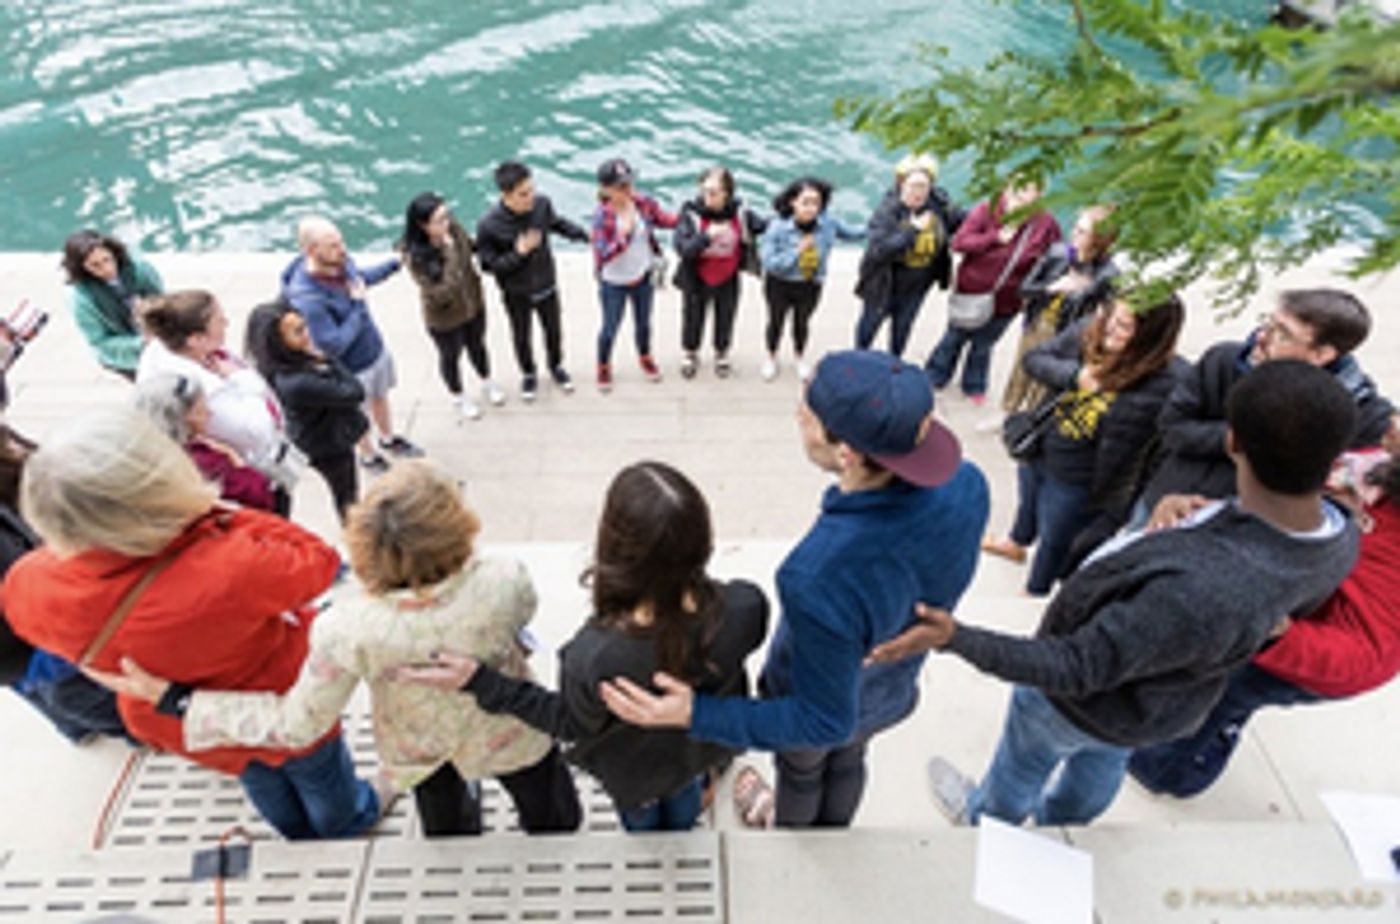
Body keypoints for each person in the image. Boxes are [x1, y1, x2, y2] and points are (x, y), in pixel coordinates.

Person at [916, 360, 1360, 827]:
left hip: (1074, 704)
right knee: (1099, 770)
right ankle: (1062, 827)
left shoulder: (1197, 592)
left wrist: (956, 638)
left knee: (1021, 769)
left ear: (1232, 442)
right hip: (1155, 708)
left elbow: (1074, 665)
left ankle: (986, 820)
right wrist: (1197, 520)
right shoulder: (1337, 535)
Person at [87, 461, 582, 839]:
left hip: (421, 749)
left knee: (447, 826)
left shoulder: (345, 626)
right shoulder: (503, 579)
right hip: (512, 732)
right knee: (550, 813)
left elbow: (297, 724)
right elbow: (520, 616)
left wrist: (177, 700)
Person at [599, 351, 988, 829]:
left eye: (809, 411)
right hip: (889, 693)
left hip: (817, 702)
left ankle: (793, 837)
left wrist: (695, 713)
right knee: (850, 757)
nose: (798, 415)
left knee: (803, 772)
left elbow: (822, 721)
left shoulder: (818, 575)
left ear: (846, 454)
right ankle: (832, 838)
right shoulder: (969, 484)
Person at [1, 408, 387, 840]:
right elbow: (318, 562)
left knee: (256, 774)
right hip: (276, 699)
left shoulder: (29, 583)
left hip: (183, 721)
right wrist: (222, 512)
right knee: (318, 771)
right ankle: (349, 820)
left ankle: (294, 833)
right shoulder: (231, 564)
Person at [395, 461, 769, 831]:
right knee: (684, 800)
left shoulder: (595, 656)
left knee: (643, 822)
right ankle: (687, 814)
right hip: (696, 754)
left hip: (635, 778)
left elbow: (568, 721)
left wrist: (481, 681)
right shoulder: (746, 607)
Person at [1127, 437, 1400, 798]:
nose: (1392, 426)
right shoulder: (1373, 466)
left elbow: (1370, 654)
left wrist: (1282, 634)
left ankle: (1168, 772)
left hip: (1303, 650)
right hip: (1281, 602)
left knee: (1220, 701)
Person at [982, 296, 1188, 595]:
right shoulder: (1090, 331)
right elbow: (1036, 358)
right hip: (1042, 445)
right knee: (1028, 500)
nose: (1110, 329)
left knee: (1056, 536)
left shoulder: (1170, 380)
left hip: (1081, 477)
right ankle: (1015, 543)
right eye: (1112, 317)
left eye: (1124, 326)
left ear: (1150, 336)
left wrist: (1124, 501)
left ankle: (1036, 587)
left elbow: (1164, 447)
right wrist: (1074, 376)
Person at [1135, 288, 1393, 517]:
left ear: (1321, 354)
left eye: (1283, 334)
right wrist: (1238, 438)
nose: (1262, 337)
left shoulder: (1358, 412)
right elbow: (1171, 426)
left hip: (1243, 531)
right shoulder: (1223, 360)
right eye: (1269, 323)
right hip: (1161, 501)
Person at [0, 425, 129, 744]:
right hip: (29, 637)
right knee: (73, 690)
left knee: (50, 688)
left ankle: (77, 727)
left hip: (29, 632)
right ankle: (124, 728)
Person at [135, 291, 300, 516]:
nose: (226, 323)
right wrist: (241, 379)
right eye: (218, 320)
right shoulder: (204, 393)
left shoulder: (169, 348)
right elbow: (257, 430)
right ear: (195, 339)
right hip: (261, 472)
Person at [281, 216, 422, 473]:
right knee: (357, 414)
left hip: (373, 350)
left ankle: (388, 438)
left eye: (341, 242)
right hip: (351, 368)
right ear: (312, 251)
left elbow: (359, 279)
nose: (342, 249)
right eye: (333, 245)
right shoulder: (308, 300)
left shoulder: (339, 262)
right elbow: (333, 345)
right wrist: (358, 306)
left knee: (380, 396)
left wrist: (393, 265)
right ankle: (368, 455)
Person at [924, 180, 1062, 405]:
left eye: (1028, 190)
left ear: (1038, 196)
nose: (1020, 194)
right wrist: (993, 238)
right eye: (1017, 187)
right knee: (954, 336)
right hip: (972, 292)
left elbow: (1056, 255)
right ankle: (936, 374)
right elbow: (959, 242)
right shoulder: (987, 210)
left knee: (984, 345)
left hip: (1008, 299)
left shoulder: (1045, 224)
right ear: (1006, 188)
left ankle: (974, 383)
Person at [475, 161, 590, 403]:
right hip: (517, 293)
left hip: (546, 283)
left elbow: (556, 223)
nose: (530, 198)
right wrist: (519, 253)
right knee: (521, 335)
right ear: (506, 195)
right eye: (523, 194)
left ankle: (556, 366)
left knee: (554, 331)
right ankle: (528, 373)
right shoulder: (489, 225)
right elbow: (489, 265)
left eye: (531, 190)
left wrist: (583, 235)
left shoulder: (541, 205)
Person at [245, 300, 368, 521]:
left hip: (308, 433)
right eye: (298, 331)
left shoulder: (279, 367)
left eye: (304, 326)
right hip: (326, 444)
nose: (307, 335)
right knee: (347, 497)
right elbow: (354, 392)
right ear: (277, 342)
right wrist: (328, 360)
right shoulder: (296, 382)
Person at [1000, 205, 1119, 416]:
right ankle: (1007, 411)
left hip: (1067, 334)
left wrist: (1086, 294)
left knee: (1046, 381)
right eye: (1075, 227)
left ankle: (1030, 419)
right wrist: (1052, 287)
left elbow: (1106, 313)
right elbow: (1024, 289)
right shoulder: (1057, 252)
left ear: (1098, 239)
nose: (1073, 233)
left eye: (1082, 231)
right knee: (1020, 370)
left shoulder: (1106, 274)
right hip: (1038, 323)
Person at [399, 193, 505, 421]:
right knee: (450, 357)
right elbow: (441, 293)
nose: (447, 223)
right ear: (422, 225)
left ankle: (487, 380)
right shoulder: (415, 257)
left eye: (447, 216)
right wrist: (449, 253)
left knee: (478, 345)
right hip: (445, 318)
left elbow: (471, 247)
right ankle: (459, 396)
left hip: (472, 303)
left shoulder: (453, 230)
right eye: (439, 220)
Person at [853, 154, 964, 359]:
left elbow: (963, 221)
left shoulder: (938, 204)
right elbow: (880, 250)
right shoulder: (887, 211)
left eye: (924, 186)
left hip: (917, 285)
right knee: (870, 324)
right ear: (901, 184)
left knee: (903, 327)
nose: (918, 192)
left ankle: (895, 361)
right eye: (913, 186)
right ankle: (858, 357)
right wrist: (912, 230)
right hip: (884, 285)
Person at [758, 179, 865, 383]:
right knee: (776, 321)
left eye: (816, 203)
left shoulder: (828, 224)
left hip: (810, 284)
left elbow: (853, 234)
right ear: (793, 202)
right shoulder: (777, 227)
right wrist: (797, 251)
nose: (811, 208)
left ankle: (799, 356)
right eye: (805, 202)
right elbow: (770, 262)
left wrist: (881, 225)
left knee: (802, 322)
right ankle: (771, 356)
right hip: (779, 284)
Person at [590, 158, 679, 393]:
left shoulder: (642, 203)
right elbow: (603, 252)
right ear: (606, 189)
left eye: (630, 183)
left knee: (644, 323)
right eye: (621, 186)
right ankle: (603, 365)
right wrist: (625, 235)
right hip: (614, 283)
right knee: (610, 327)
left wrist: (685, 218)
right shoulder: (602, 216)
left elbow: (662, 219)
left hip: (642, 277)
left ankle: (645, 356)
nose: (628, 190)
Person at [672, 167, 768, 379]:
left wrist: (794, 215)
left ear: (727, 193)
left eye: (713, 192)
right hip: (697, 277)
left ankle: (721, 352)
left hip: (728, 276)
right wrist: (706, 237)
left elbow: (764, 226)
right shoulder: (691, 215)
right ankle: (690, 352)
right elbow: (683, 248)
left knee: (726, 316)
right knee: (692, 317)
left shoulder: (741, 213)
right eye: (704, 191)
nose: (707, 197)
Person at [133, 374, 276, 512]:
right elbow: (259, 496)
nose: (210, 412)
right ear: (186, 416)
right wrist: (237, 462)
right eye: (201, 408)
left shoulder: (142, 456)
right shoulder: (205, 461)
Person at [61, 230, 163, 380]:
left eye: (107, 259)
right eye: (95, 265)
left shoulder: (138, 267)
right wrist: (141, 343)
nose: (107, 269)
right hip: (125, 356)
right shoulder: (80, 300)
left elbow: (162, 297)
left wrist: (151, 309)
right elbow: (99, 341)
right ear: (82, 267)